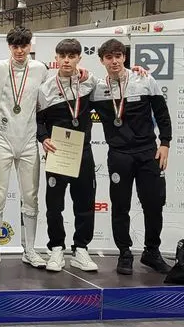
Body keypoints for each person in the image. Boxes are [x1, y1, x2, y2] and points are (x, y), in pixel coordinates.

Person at [91, 38, 171, 275]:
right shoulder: (97, 89)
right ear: (102, 61)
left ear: (124, 57)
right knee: (120, 206)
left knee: (153, 204)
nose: (114, 61)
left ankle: (151, 252)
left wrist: (165, 143)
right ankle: (124, 253)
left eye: (118, 56)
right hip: (119, 155)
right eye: (109, 57)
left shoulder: (145, 79)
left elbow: (162, 113)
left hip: (148, 153)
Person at [0, 27, 47, 268]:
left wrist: (82, 74)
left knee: (30, 196)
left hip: (29, 140)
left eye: (24, 46)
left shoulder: (40, 69)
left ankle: (29, 250)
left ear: (30, 46)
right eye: (15, 46)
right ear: (9, 47)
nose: (19, 51)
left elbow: (52, 96)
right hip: (3, 139)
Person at [36, 39, 99, 272]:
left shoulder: (90, 82)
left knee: (85, 203)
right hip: (57, 153)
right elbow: (38, 121)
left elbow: (116, 85)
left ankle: (81, 249)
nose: (66, 61)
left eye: (71, 56)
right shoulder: (46, 89)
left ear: (79, 58)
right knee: (54, 205)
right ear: (56, 58)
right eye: (62, 56)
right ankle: (56, 248)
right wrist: (44, 138)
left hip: (83, 152)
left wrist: (136, 71)